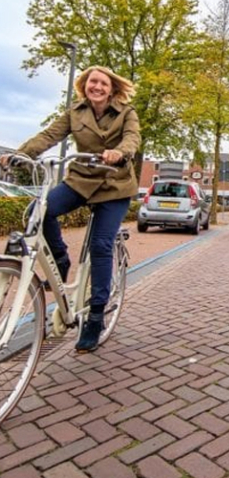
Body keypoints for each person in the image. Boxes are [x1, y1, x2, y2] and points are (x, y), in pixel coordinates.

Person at [0, 66, 141, 352]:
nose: (97, 86)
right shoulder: (74, 112)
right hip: (81, 180)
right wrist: (20, 154)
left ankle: (96, 316)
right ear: (84, 86)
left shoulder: (127, 113)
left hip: (114, 186)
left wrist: (120, 152)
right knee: (37, 212)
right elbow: (49, 136)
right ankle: (61, 260)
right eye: (93, 82)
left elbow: (132, 139)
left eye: (103, 83)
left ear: (112, 89)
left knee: (100, 245)